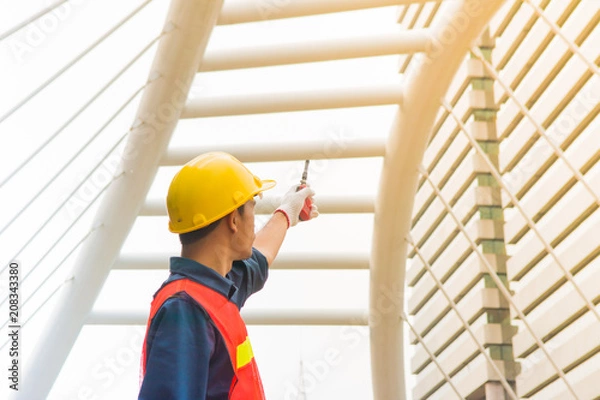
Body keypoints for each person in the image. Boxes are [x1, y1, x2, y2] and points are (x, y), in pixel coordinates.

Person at [138, 152, 318, 400]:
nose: (254, 222)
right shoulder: (186, 310)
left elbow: (259, 259)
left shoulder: (213, 289)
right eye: (252, 209)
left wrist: (286, 212)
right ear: (234, 220)